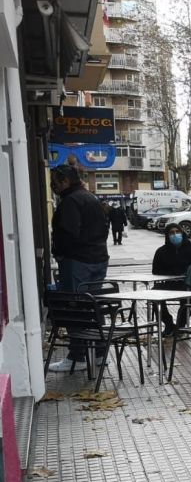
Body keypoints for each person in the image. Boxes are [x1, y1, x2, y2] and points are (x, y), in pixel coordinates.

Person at [48, 159, 109, 373]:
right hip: (97, 258)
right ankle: (99, 352)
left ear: (65, 181)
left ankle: (78, 355)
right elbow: (104, 227)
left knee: (75, 307)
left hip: (77, 261)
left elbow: (68, 233)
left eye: (54, 181)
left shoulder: (71, 202)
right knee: (92, 306)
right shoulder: (90, 198)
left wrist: (61, 254)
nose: (52, 186)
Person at [151, 223, 191, 336]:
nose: (175, 235)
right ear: (167, 235)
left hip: (187, 284)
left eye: (177, 232)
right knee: (153, 294)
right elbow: (155, 271)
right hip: (169, 283)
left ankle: (180, 326)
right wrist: (170, 274)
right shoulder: (161, 251)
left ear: (182, 233)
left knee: (186, 300)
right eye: (171, 233)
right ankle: (168, 324)